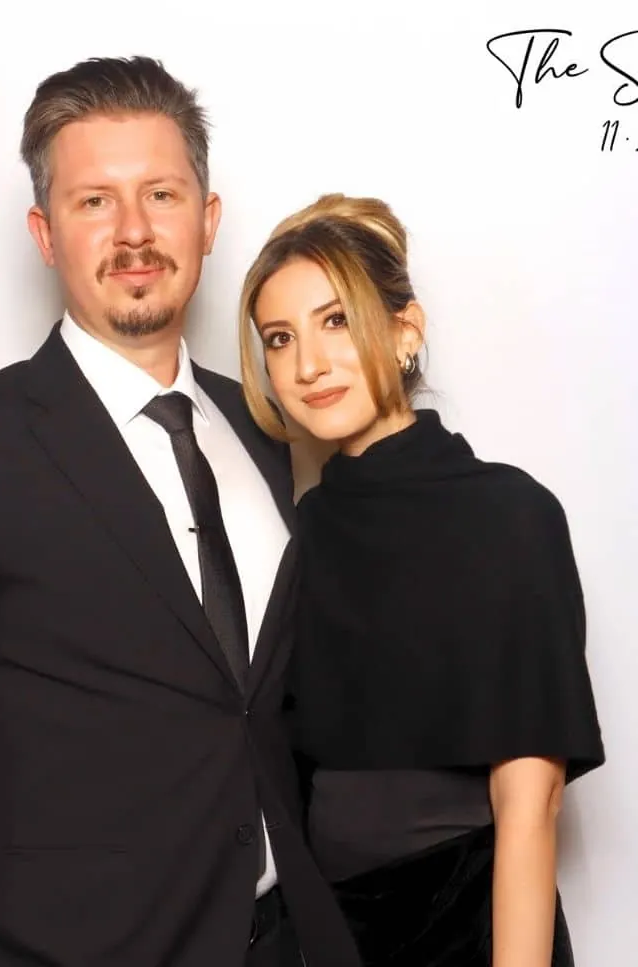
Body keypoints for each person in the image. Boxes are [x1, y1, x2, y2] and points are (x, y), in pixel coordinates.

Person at [0, 59, 361, 967]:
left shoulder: (270, 425)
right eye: (94, 202)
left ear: (207, 219)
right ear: (45, 233)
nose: (133, 232)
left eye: (161, 193)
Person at [238, 193, 606, 966]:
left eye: (335, 320)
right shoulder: (297, 532)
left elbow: (530, 803)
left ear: (406, 330)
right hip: (326, 932)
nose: (307, 363)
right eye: (281, 337)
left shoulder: (511, 515)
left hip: (470, 923)